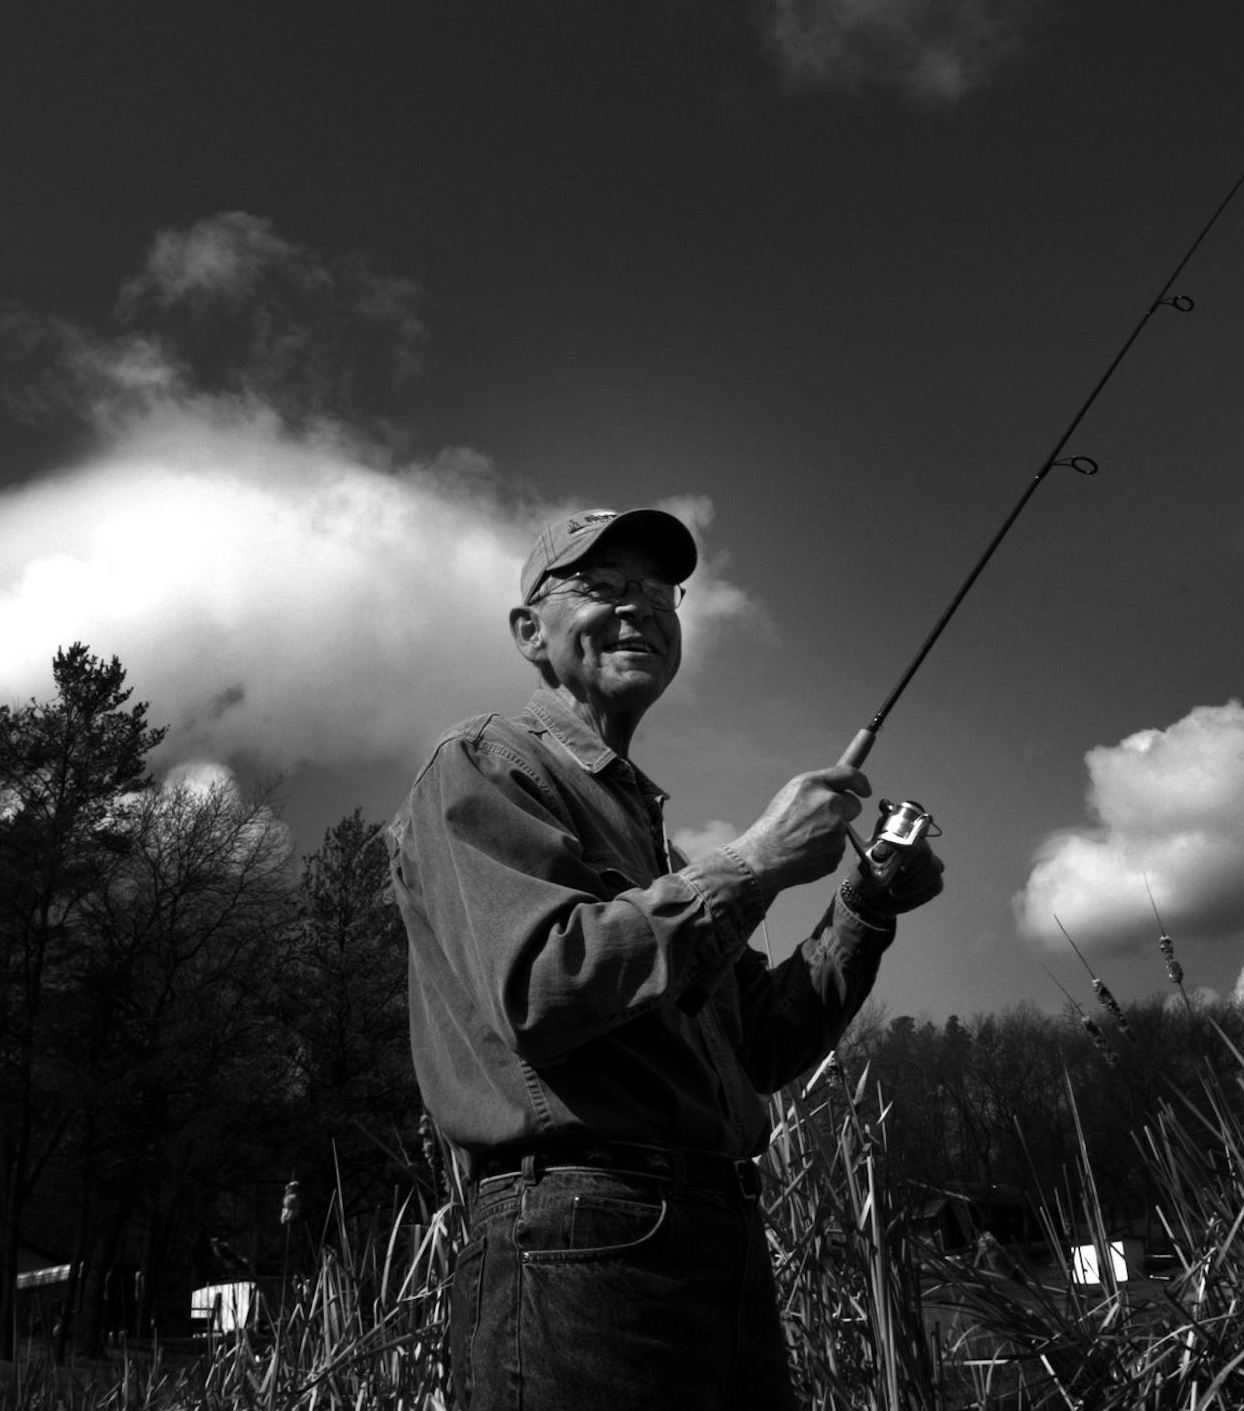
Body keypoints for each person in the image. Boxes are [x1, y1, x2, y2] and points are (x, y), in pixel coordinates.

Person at [388, 506, 943, 1410]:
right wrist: (757, 859)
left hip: (717, 1232)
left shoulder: (664, 851)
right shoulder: (487, 764)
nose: (636, 607)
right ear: (530, 631)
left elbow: (760, 1046)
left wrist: (863, 905)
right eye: (602, 586)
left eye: (656, 590)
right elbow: (541, 987)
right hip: (579, 1238)